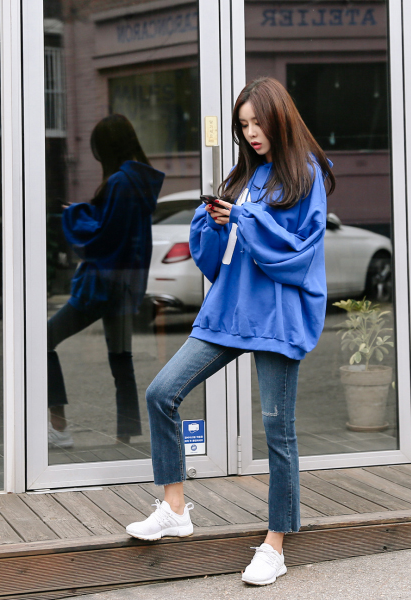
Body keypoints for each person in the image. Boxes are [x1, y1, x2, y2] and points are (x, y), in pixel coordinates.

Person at [125, 77, 335, 586]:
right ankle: (175, 508)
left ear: (279, 117)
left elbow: (300, 252)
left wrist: (245, 217)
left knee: (278, 432)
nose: (251, 132)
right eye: (244, 125)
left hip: (276, 317)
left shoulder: (306, 173)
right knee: (161, 393)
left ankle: (275, 545)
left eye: (258, 122)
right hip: (230, 311)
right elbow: (217, 257)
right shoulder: (245, 176)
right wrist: (214, 221)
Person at [47, 114, 165, 449]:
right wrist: (87, 210)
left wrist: (74, 214)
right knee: (121, 360)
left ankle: (59, 427)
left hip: (100, 286)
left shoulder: (120, 182)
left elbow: (103, 237)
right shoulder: (139, 182)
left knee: (42, 341)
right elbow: (116, 228)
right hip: (125, 286)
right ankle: (124, 438)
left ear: (107, 148)